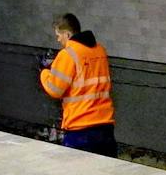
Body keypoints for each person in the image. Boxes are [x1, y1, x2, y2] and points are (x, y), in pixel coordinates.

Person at [40, 12, 115, 156]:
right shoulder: (100, 51)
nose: (58, 39)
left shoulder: (68, 54)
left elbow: (55, 89)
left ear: (67, 34)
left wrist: (44, 72)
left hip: (80, 128)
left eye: (58, 35)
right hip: (105, 126)